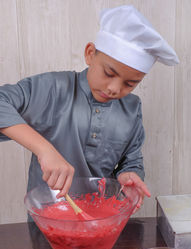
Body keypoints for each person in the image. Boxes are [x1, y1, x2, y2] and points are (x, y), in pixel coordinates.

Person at [0, 5, 179, 215]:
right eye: (108, 73)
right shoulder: (53, 88)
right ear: (90, 54)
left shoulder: (131, 109)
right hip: (48, 219)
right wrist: (44, 149)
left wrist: (129, 175)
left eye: (129, 84)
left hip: (101, 217)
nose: (114, 89)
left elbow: (131, 159)